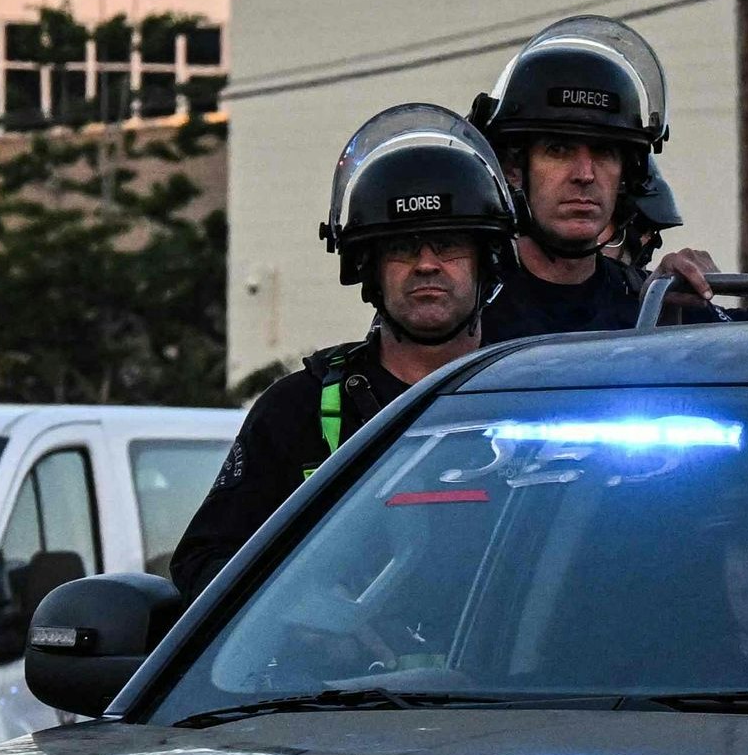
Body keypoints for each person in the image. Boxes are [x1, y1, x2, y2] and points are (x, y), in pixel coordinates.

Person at [170, 103, 510, 597]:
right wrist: (302, 610)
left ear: (489, 262)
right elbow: (205, 563)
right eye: (402, 248)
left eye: (450, 244)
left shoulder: (534, 399)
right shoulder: (298, 412)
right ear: (367, 269)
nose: (427, 265)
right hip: (333, 675)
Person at [469, 15, 717, 334]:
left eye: (604, 152)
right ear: (513, 170)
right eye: (558, 150)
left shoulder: (651, 302)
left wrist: (679, 312)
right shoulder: (466, 316)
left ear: (626, 174)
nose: (585, 174)